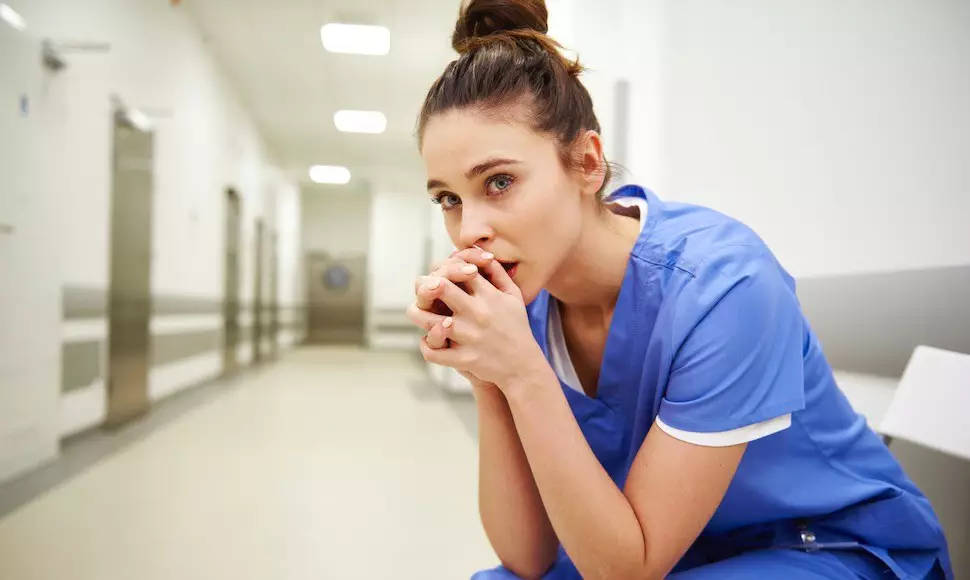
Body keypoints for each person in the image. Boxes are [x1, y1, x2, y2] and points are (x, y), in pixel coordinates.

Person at [405, 1, 953, 578]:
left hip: (828, 547)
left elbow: (626, 570)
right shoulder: (525, 306)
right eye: (449, 199)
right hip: (676, 549)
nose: (469, 231)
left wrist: (522, 371)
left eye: (500, 181)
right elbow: (526, 559)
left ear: (587, 163)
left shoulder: (726, 286)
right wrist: (489, 381)